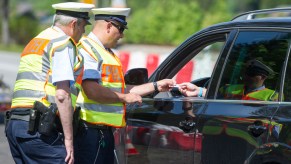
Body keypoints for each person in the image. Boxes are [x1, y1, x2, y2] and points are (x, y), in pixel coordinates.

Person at [75, 7, 176, 164]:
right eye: (120, 29)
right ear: (108, 26)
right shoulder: (87, 49)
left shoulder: (107, 53)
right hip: (90, 130)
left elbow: (123, 90)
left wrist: (156, 86)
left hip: (103, 131)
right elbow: (92, 90)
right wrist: (125, 98)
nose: (122, 35)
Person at [5, 2, 94, 164]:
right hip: (39, 130)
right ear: (74, 24)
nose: (83, 33)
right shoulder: (62, 43)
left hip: (16, 125)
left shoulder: (36, 41)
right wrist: (69, 140)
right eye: (83, 27)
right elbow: (62, 95)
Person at [179, 59, 278, 101]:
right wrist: (198, 91)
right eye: (246, 73)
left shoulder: (272, 96)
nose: (247, 77)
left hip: (249, 140)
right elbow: (215, 97)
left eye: (251, 74)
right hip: (217, 134)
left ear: (263, 77)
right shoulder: (229, 88)